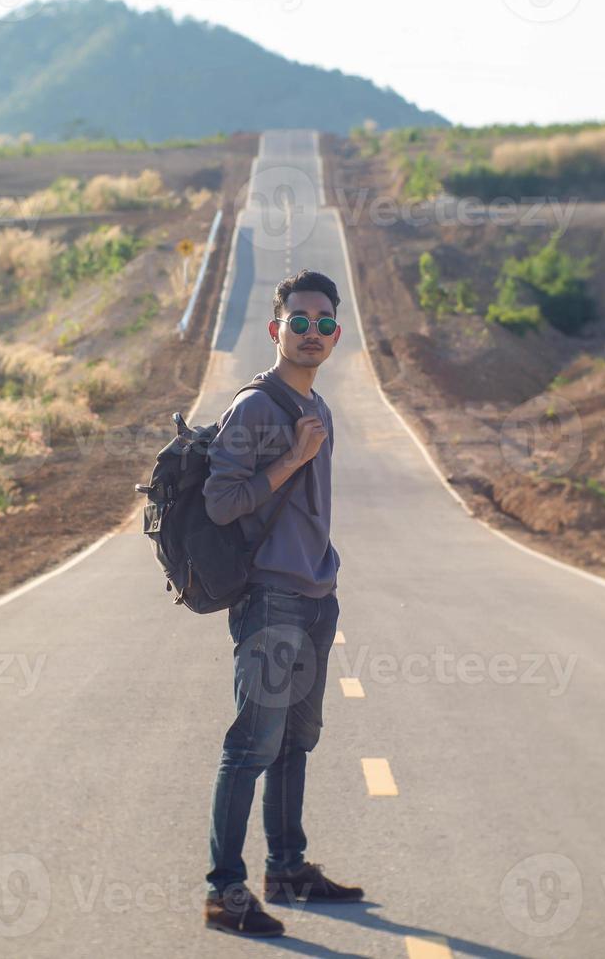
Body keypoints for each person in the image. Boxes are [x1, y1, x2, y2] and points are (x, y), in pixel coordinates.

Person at [200, 269, 364, 938]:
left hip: (314, 596)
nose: (311, 334)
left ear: (335, 334)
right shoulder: (254, 409)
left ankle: (288, 868)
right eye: (299, 321)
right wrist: (292, 459)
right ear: (276, 329)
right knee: (251, 746)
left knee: (297, 741)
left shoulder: (318, 406)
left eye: (323, 323)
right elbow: (220, 503)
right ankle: (224, 893)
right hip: (271, 600)